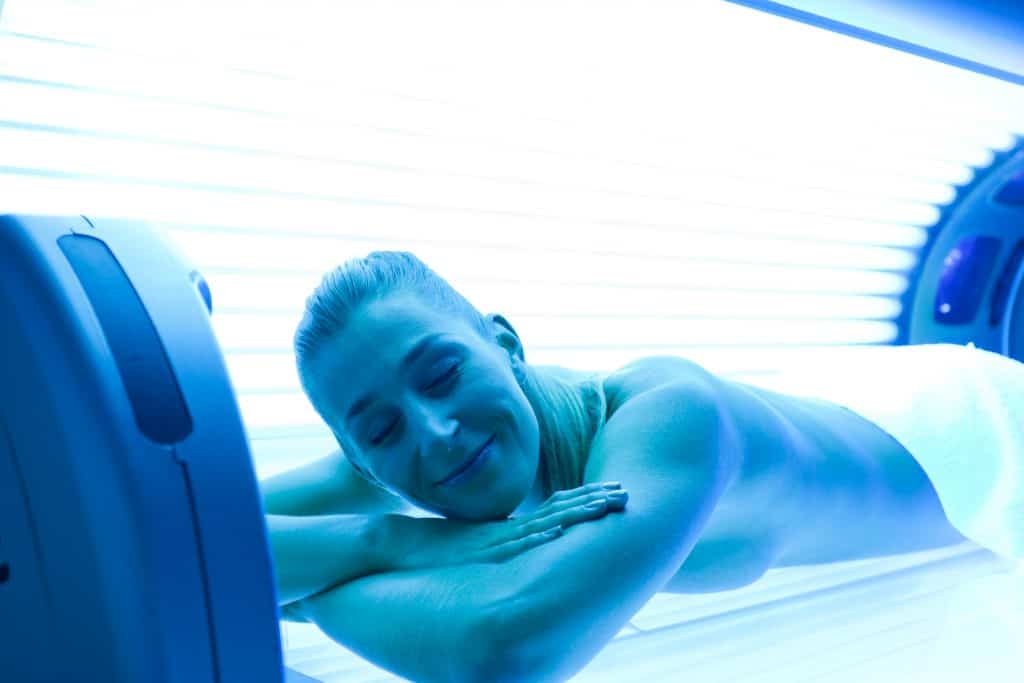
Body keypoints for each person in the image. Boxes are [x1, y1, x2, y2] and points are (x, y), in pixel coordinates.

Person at [264, 250, 1000, 683]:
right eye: (381, 428)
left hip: (981, 425)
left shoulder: (672, 414)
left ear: (506, 343)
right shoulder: (403, 457)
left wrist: (302, 590)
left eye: (443, 371)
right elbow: (186, 537)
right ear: (359, 457)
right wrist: (384, 542)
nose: (437, 430)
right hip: (835, 398)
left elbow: (503, 649)